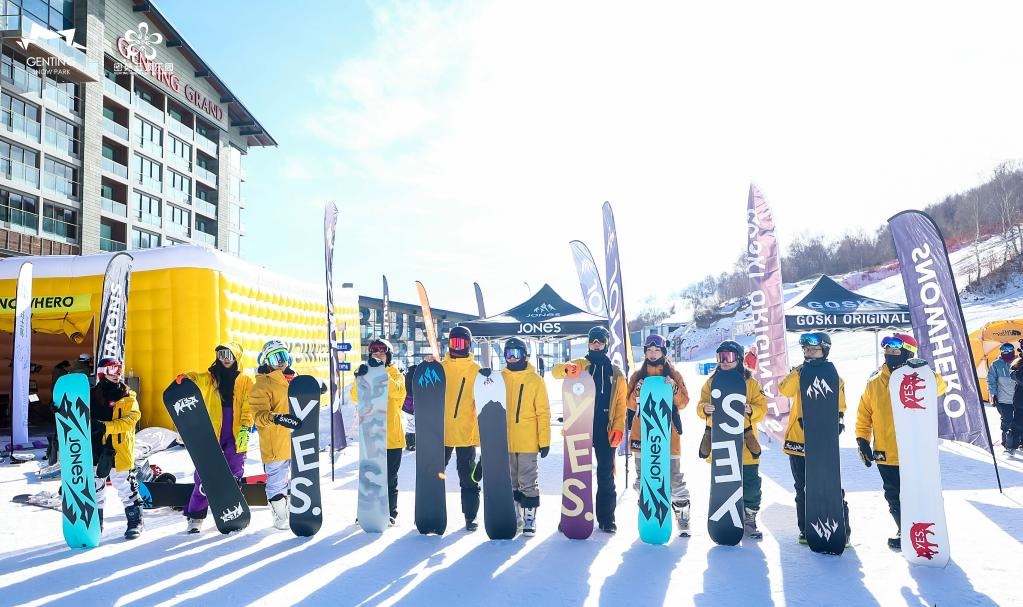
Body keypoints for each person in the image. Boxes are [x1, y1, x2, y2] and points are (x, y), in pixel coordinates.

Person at [855, 332, 946, 550]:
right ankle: (904, 531)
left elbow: (941, 387)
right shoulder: (874, 382)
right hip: (885, 451)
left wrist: (924, 371)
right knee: (893, 495)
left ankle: (925, 531)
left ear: (908, 353)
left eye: (895, 351)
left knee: (918, 494)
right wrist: (862, 439)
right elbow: (864, 413)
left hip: (914, 451)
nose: (889, 354)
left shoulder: (920, 376)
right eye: (887, 350)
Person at [553, 326, 628, 533]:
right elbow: (555, 372)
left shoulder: (616, 372)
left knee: (606, 474)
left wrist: (618, 428)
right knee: (576, 472)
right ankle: (572, 515)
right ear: (588, 343)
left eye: (600, 341)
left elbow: (621, 405)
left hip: (605, 427)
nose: (596, 344)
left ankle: (607, 519)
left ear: (606, 344)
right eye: (593, 341)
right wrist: (567, 369)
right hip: (580, 424)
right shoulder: (580, 364)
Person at [778, 333, 850, 545]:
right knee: (802, 488)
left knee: (830, 485)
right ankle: (806, 529)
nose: (809, 352)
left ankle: (841, 529)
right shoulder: (800, 373)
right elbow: (784, 390)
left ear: (824, 350)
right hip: (798, 441)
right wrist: (799, 371)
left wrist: (838, 420)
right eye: (806, 349)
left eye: (814, 349)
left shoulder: (833, 376)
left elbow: (840, 404)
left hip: (822, 442)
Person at [174, 343, 254, 533]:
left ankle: (233, 510)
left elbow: (248, 405)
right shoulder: (212, 377)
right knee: (206, 473)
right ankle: (196, 515)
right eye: (221, 354)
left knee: (234, 471)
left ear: (236, 357)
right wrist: (186, 377)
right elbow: (198, 378)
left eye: (229, 355)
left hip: (236, 431)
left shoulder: (245, 380)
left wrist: (246, 427)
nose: (225, 358)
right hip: (213, 431)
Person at [696, 340, 768, 539]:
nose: (725, 361)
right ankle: (726, 516)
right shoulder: (712, 382)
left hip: (745, 445)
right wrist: (704, 409)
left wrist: (751, 409)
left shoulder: (750, 383)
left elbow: (762, 407)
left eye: (729, 357)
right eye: (721, 357)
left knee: (751, 484)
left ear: (739, 358)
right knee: (724, 483)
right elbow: (700, 405)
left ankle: (749, 517)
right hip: (722, 444)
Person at [626, 334, 691, 536]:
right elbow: (629, 404)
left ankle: (682, 515)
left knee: (673, 478)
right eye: (649, 350)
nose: (653, 354)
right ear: (645, 352)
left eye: (657, 350)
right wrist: (637, 391)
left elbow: (683, 402)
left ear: (663, 352)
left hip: (668, 435)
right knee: (644, 478)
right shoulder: (637, 375)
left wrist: (673, 388)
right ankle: (649, 515)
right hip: (642, 434)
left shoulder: (673, 374)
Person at [352, 338, 407, 525]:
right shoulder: (366, 374)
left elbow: (398, 392)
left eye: (382, 352)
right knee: (370, 476)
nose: (378, 355)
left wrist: (382, 373)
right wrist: (359, 378)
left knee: (389, 478)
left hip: (392, 437)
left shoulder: (397, 375)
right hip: (372, 435)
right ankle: (367, 511)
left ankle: (391, 512)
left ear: (388, 355)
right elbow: (355, 396)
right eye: (374, 352)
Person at [249, 340, 301, 530]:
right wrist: (277, 418)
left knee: (301, 479)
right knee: (277, 482)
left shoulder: (296, 379)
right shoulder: (262, 384)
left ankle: (299, 511)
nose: (280, 361)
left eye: (283, 356)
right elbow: (259, 416)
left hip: (298, 439)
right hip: (275, 442)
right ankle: (280, 517)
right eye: (274, 357)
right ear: (266, 361)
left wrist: (316, 389)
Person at [90, 357, 144, 539]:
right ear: (102, 373)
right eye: (112, 369)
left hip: (118, 448)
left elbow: (131, 421)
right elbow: (75, 411)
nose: (117, 373)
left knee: (124, 484)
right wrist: (59, 408)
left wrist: (106, 427)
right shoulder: (90, 395)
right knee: (96, 486)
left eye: (119, 369)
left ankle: (135, 521)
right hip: (96, 447)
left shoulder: (127, 396)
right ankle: (95, 524)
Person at [502, 337, 551, 536]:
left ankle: (529, 517)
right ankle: (515, 516)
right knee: (510, 481)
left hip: (528, 440)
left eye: (516, 354)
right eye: (508, 354)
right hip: (505, 441)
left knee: (528, 480)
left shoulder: (535, 380)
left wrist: (544, 441)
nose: (512, 358)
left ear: (525, 356)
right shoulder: (500, 379)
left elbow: (543, 412)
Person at [441, 326, 483, 531]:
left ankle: (470, 516)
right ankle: (430, 510)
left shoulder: (476, 370)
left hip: (466, 433)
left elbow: (483, 404)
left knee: (468, 478)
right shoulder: (440, 367)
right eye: (453, 343)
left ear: (468, 344)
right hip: (441, 433)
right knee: (434, 475)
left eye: (461, 343)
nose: (456, 347)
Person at [988, 342, 1019, 453]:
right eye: (1003, 350)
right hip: (1003, 399)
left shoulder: (1019, 362)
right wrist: (993, 394)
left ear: (1013, 350)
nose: (1006, 352)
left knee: (1019, 421)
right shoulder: (996, 364)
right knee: (1007, 420)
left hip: (1018, 399)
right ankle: (1006, 442)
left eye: (1009, 349)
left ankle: (1019, 441)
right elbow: (991, 380)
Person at [403, 363, 417, 452]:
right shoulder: (416, 376)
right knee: (413, 425)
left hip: (407, 403)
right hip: (413, 403)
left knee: (410, 424)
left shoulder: (407, 375)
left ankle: (410, 443)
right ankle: (411, 444)